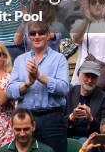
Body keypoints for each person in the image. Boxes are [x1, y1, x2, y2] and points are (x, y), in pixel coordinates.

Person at [7, 21, 69, 152]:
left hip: (52, 119)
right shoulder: (20, 60)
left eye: (40, 33)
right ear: (28, 37)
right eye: (32, 33)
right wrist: (28, 83)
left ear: (47, 35)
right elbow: (10, 91)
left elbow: (64, 88)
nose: (36, 36)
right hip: (26, 120)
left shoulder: (59, 58)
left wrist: (39, 77)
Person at [65, 60, 105, 139]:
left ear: (98, 78)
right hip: (69, 136)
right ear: (79, 74)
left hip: (92, 140)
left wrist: (91, 118)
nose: (90, 80)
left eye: (94, 77)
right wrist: (71, 117)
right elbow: (59, 121)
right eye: (87, 75)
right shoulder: (69, 93)